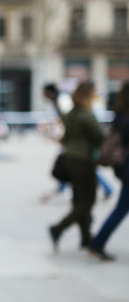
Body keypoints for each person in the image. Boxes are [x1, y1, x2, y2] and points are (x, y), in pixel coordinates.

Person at [48, 81, 104, 251]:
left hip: (70, 159)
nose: (96, 94)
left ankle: (85, 238)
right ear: (88, 93)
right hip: (83, 160)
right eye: (94, 91)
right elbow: (100, 136)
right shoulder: (86, 114)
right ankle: (58, 228)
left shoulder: (72, 113)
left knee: (79, 200)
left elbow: (66, 137)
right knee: (87, 201)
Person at [88, 81, 129, 261]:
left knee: (121, 208)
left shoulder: (120, 113)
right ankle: (97, 242)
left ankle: (97, 241)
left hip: (125, 166)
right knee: (121, 208)